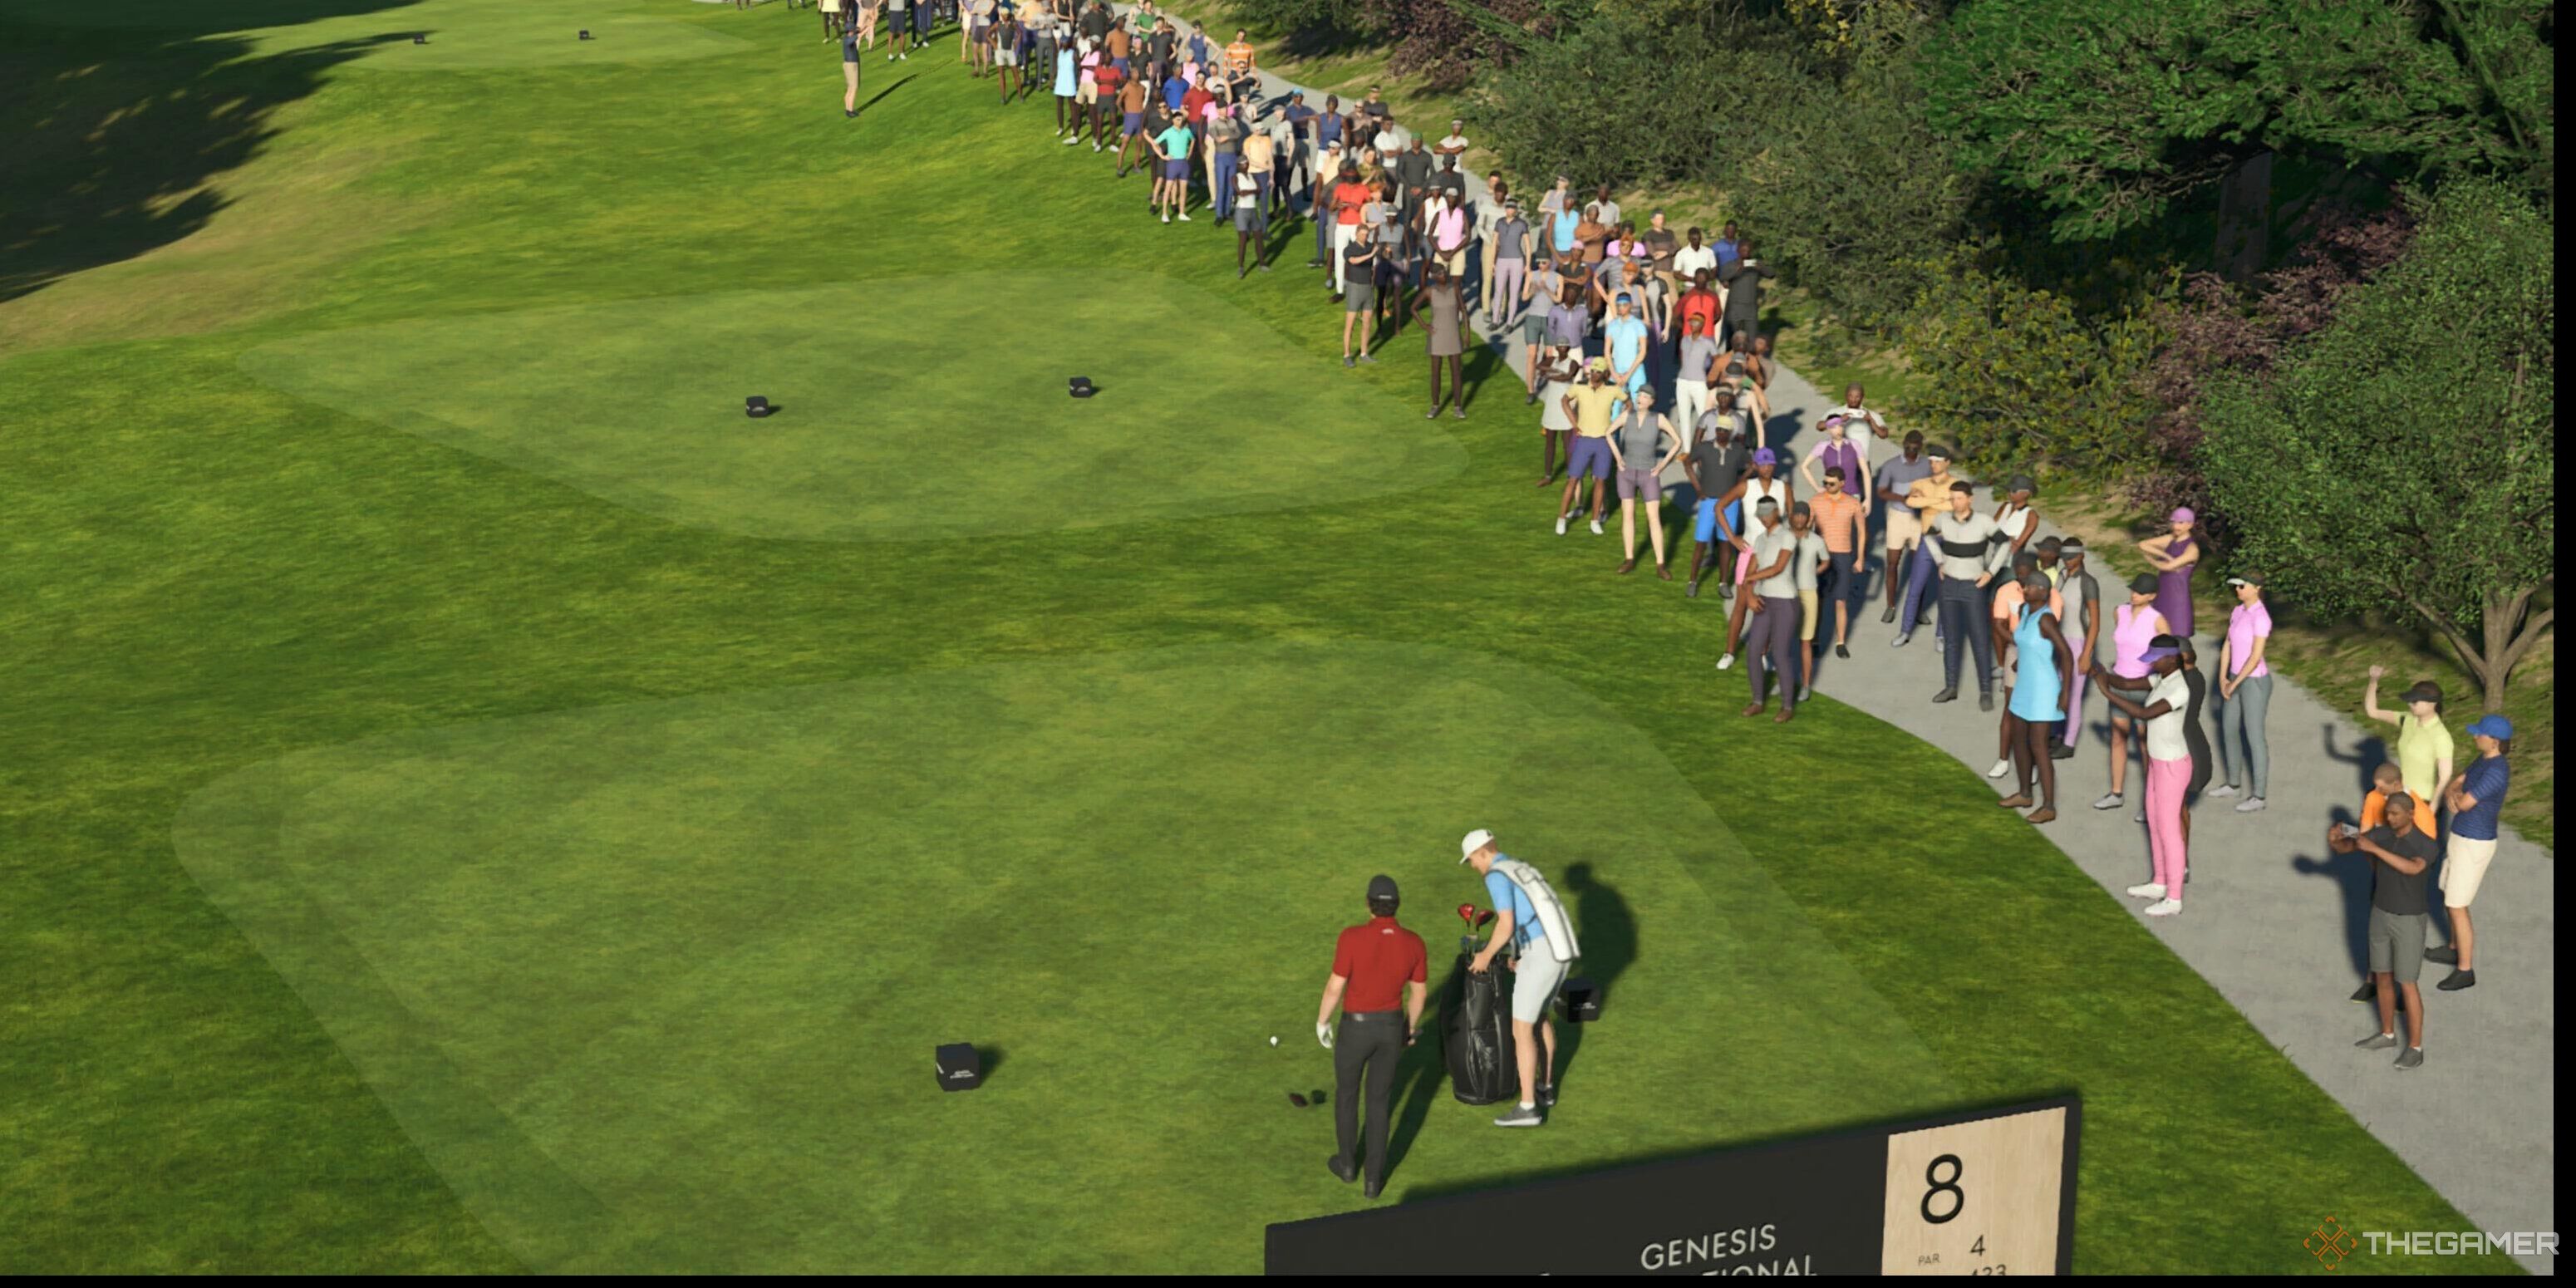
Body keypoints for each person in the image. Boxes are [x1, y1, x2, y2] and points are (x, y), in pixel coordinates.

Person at [1315, 873, 1428, 1198]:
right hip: (1391, 1029)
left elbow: (1335, 986)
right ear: (1396, 906)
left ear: (1369, 905)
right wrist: (1408, 1028)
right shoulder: (1414, 943)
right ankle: (1373, 1182)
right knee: (1379, 1103)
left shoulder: (1351, 937)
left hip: (1355, 1029)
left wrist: (1323, 1022)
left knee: (1347, 1095)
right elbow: (1418, 994)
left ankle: (1348, 1165)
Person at [1459, 830, 1562, 1127]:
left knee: (1521, 1030)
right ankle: (1546, 1086)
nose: (1472, 867)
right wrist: (1520, 953)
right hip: (1552, 948)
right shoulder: (1518, 866)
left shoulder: (1496, 874)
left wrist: (1486, 956)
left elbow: (1506, 923)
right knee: (1540, 1018)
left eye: (1472, 860)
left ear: (1482, 852)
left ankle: (1528, 1107)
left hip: (1541, 951)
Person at [2329, 796, 2435, 1070]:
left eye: (2396, 814)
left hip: (2409, 920)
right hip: (2381, 914)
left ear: (2411, 814)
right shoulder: (2382, 833)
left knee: (2408, 983)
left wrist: (2375, 849)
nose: (2391, 819)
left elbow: (2413, 868)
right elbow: (2348, 848)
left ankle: (2415, 1048)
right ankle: (2387, 1033)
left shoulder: (2426, 844)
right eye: (2388, 814)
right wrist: (2335, 841)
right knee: (2382, 975)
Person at [2093, 641, 2191, 915]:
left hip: (2174, 766)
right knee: (2155, 823)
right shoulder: (2161, 678)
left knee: (2170, 830)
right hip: (2158, 764)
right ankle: (2159, 882)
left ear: (2172, 660)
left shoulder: (2179, 689)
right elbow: (2125, 684)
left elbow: (2144, 713)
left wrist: (2105, 691)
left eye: (2156, 659)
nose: (2151, 663)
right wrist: (2102, 674)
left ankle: (2174, 898)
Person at [2431, 714, 2513, 992]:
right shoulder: (2484, 760)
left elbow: (2464, 803)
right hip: (2460, 836)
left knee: (2457, 905)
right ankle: (2454, 947)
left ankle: (2465, 969)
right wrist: (2454, 792)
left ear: (2494, 741)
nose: (2475, 736)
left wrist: (2455, 795)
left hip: (2474, 843)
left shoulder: (2496, 771)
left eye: (2480, 734)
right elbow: (2458, 782)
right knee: (2448, 892)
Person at [1924, 481, 2008, 710]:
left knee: (1980, 639)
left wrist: (1991, 572)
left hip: (1973, 587)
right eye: (1952, 499)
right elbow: (1928, 537)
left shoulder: (1984, 522)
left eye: (1959, 498)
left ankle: (1985, 691)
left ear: (1970, 499)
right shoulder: (1943, 519)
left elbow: (2004, 544)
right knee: (1951, 638)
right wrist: (1940, 560)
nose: (1955, 503)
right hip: (1949, 585)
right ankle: (1951, 687)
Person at [1998, 573, 2074, 823]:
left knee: (2039, 746)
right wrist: (2022, 661)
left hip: (2043, 689)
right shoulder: (2026, 613)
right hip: (2024, 686)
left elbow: (2066, 654)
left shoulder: (2046, 619)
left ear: (2044, 591)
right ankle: (2025, 793)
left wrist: (2065, 692)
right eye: (2026, 585)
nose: (2026, 589)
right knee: (2019, 741)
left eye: (2031, 586)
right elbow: (2029, 645)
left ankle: (2049, 806)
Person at [2091, 574, 2169, 810]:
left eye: (2140, 592)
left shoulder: (2158, 621)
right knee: (2118, 738)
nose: (2134, 594)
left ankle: (2151, 801)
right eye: (2133, 590)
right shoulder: (2120, 612)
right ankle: (2116, 793)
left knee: (2146, 744)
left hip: (2144, 689)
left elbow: (2168, 656)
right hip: (2119, 685)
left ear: (2152, 596)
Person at [1714, 448, 1793, 668]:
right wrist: (1733, 538)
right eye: (1763, 464)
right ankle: (1729, 653)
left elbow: (1794, 517)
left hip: (1773, 553)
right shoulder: (1745, 487)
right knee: (1741, 603)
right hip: (1749, 553)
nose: (1767, 467)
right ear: (1756, 466)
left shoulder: (1783, 488)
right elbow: (1719, 507)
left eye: (1770, 464)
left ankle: (1762, 654)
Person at [2207, 573, 2274, 813]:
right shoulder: (2238, 612)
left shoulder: (2261, 617)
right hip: (2234, 678)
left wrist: (2234, 685)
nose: (2238, 590)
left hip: (2254, 682)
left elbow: (2255, 657)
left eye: (2242, 586)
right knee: (2229, 728)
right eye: (2236, 586)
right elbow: (2228, 644)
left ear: (2257, 588)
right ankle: (2233, 784)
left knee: (2254, 735)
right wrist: (2223, 677)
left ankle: (2259, 795)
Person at [1737, 496, 1801, 721]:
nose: (1764, 518)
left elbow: (1777, 568)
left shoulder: (1788, 536)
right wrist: (1750, 595)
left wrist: (1751, 579)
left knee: (1780, 653)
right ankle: (1757, 701)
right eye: (1761, 514)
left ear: (1777, 512)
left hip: (1785, 601)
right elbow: (1749, 572)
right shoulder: (1760, 539)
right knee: (1753, 650)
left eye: (1767, 513)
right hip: (1764, 600)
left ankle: (1787, 706)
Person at [1607, 386, 1680, 578]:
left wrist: (1662, 465)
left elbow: (1678, 442)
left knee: (1653, 517)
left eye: (1645, 396)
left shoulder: (1659, 419)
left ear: (1652, 401)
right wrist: (1618, 458)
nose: (1640, 398)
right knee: (1628, 515)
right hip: (1626, 472)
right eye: (1639, 395)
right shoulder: (1626, 416)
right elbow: (1608, 433)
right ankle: (1629, 558)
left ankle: (1660, 564)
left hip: (1649, 474)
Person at [1682, 396, 1748, 600]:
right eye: (1719, 430)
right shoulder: (1703, 448)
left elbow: (1751, 466)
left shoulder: (1738, 450)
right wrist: (1698, 488)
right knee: (1701, 543)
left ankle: (1722, 583)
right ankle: (1692, 581)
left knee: (1726, 544)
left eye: (1725, 431)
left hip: (1730, 503)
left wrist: (1740, 484)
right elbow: (1687, 463)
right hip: (1708, 501)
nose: (1721, 433)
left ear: (1730, 433)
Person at [2362, 669, 2454, 808]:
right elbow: (2372, 711)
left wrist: (2434, 804)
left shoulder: (2440, 736)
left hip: (2422, 800)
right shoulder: (2407, 719)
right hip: (2401, 795)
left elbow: (2445, 774)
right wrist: (2374, 681)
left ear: (2432, 704)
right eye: (2410, 701)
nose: (2410, 704)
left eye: (2415, 702)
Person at [1556, 358, 1623, 536]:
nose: (1594, 374)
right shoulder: (1579, 387)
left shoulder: (1612, 390)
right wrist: (1574, 423)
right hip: (1584, 440)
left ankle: (1594, 520)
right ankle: (1561, 519)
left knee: (1600, 481)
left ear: (1605, 374)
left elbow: (1629, 404)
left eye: (1598, 372)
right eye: (1593, 371)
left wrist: (1616, 425)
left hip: (1603, 441)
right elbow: (1564, 400)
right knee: (1573, 479)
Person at [1875, 432, 1934, 623]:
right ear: (1904, 444)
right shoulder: (1891, 465)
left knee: (1920, 566)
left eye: (1916, 446)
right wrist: (1902, 499)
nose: (1912, 449)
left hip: (1919, 519)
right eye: (1909, 445)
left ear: (1921, 445)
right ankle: (1890, 606)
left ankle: (1917, 609)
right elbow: (1881, 491)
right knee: (1892, 563)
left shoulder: (1927, 465)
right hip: (1898, 517)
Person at [1808, 465, 1866, 658]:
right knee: (1818, 599)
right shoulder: (1815, 501)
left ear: (1842, 483)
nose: (1827, 486)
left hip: (1843, 555)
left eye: (1831, 484)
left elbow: (1862, 531)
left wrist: (1860, 558)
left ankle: (1840, 642)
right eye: (1824, 483)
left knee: (1841, 600)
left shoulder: (1852, 504)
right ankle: (1814, 639)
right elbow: (1807, 527)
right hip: (1820, 555)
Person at [2054, 539, 2101, 758]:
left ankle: (2069, 742)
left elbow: (2094, 621)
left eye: (2071, 556)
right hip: (2058, 641)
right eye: (2064, 556)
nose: (2067, 560)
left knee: (2074, 694)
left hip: (2077, 641)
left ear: (2081, 556)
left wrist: (2086, 654)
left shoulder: (2087, 582)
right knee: (2056, 688)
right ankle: (2057, 734)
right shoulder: (2061, 577)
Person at [1787, 501, 1831, 701]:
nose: (1799, 518)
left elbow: (1826, 560)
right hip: (1786, 593)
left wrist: (1815, 571)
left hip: (1808, 593)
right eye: (1796, 515)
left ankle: (1805, 685)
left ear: (1807, 518)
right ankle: (1784, 681)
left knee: (1805, 642)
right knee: (1784, 642)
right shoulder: (1782, 537)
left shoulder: (1816, 541)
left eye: (1803, 515)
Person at [1416, 263, 1467, 418]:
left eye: (1444, 272)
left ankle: (1458, 407)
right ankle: (1435, 405)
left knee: (1456, 373)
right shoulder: (1429, 292)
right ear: (1433, 276)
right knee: (1435, 373)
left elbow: (1464, 311)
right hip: (1436, 336)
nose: (1443, 275)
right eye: (1439, 274)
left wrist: (1467, 334)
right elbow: (1413, 308)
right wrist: (1425, 326)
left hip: (1453, 334)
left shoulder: (1455, 289)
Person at [2138, 508, 2200, 637]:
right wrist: (2165, 556)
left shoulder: (2192, 548)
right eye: (2174, 522)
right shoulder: (2170, 539)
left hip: (2178, 599)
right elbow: (2143, 544)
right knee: (2156, 634)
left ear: (2190, 525)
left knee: (2177, 637)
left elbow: (2168, 567)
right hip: (2162, 593)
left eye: (2181, 523)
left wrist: (2151, 560)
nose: (2176, 526)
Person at [1532, 342, 1581, 484]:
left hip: (1564, 407)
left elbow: (1567, 376)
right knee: (1549, 443)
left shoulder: (1573, 363)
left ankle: (1570, 476)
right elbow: (1539, 366)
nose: (1561, 348)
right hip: (1552, 405)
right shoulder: (1552, 360)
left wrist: (1551, 374)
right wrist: (1554, 371)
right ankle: (1547, 476)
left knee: (1567, 444)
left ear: (1568, 348)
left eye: (1564, 346)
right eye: (1559, 346)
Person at [1484, 198, 1533, 326]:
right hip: (1501, 259)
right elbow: (1494, 243)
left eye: (1512, 208)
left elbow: (1528, 246)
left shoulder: (1522, 224)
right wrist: (1493, 262)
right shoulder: (1499, 222)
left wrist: (1527, 265)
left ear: (1516, 210)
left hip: (1517, 260)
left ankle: (1510, 323)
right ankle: (1495, 320)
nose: (1509, 210)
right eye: (1508, 207)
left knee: (1514, 292)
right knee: (1498, 291)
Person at [1672, 312, 1720, 435]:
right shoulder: (1684, 340)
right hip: (1683, 380)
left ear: (1703, 325)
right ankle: (1687, 450)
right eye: (1691, 321)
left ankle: (1707, 447)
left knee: (1703, 416)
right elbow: (1682, 359)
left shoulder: (1708, 342)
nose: (1693, 324)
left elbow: (1717, 361)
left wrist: (1712, 377)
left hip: (1700, 381)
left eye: (1697, 322)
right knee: (1684, 418)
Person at [1338, 225, 1379, 365]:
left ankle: (1364, 353)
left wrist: (1385, 251)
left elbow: (1378, 254)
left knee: (1367, 323)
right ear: (1356, 234)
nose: (1364, 237)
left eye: (1366, 235)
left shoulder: (1370, 246)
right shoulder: (1349, 249)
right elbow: (1353, 261)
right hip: (1354, 288)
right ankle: (1347, 355)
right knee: (1350, 323)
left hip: (1368, 288)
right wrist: (1370, 254)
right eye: (1362, 234)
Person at [1150, 108, 1193, 223]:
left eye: (1181, 120)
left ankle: (1182, 213)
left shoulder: (1186, 131)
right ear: (1173, 120)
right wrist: (1162, 156)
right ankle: (1164, 214)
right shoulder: (1168, 132)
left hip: (1184, 163)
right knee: (1168, 189)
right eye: (1178, 119)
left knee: (1183, 190)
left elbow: (1193, 140)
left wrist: (1190, 152)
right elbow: (1154, 143)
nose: (1180, 122)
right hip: (1173, 164)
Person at [838, 18, 864, 117]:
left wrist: (867, 25)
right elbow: (858, 35)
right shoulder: (848, 40)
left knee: (850, 88)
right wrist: (868, 29)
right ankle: (850, 110)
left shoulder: (848, 37)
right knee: (853, 88)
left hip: (849, 65)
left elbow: (859, 31)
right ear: (851, 31)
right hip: (851, 65)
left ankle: (848, 109)